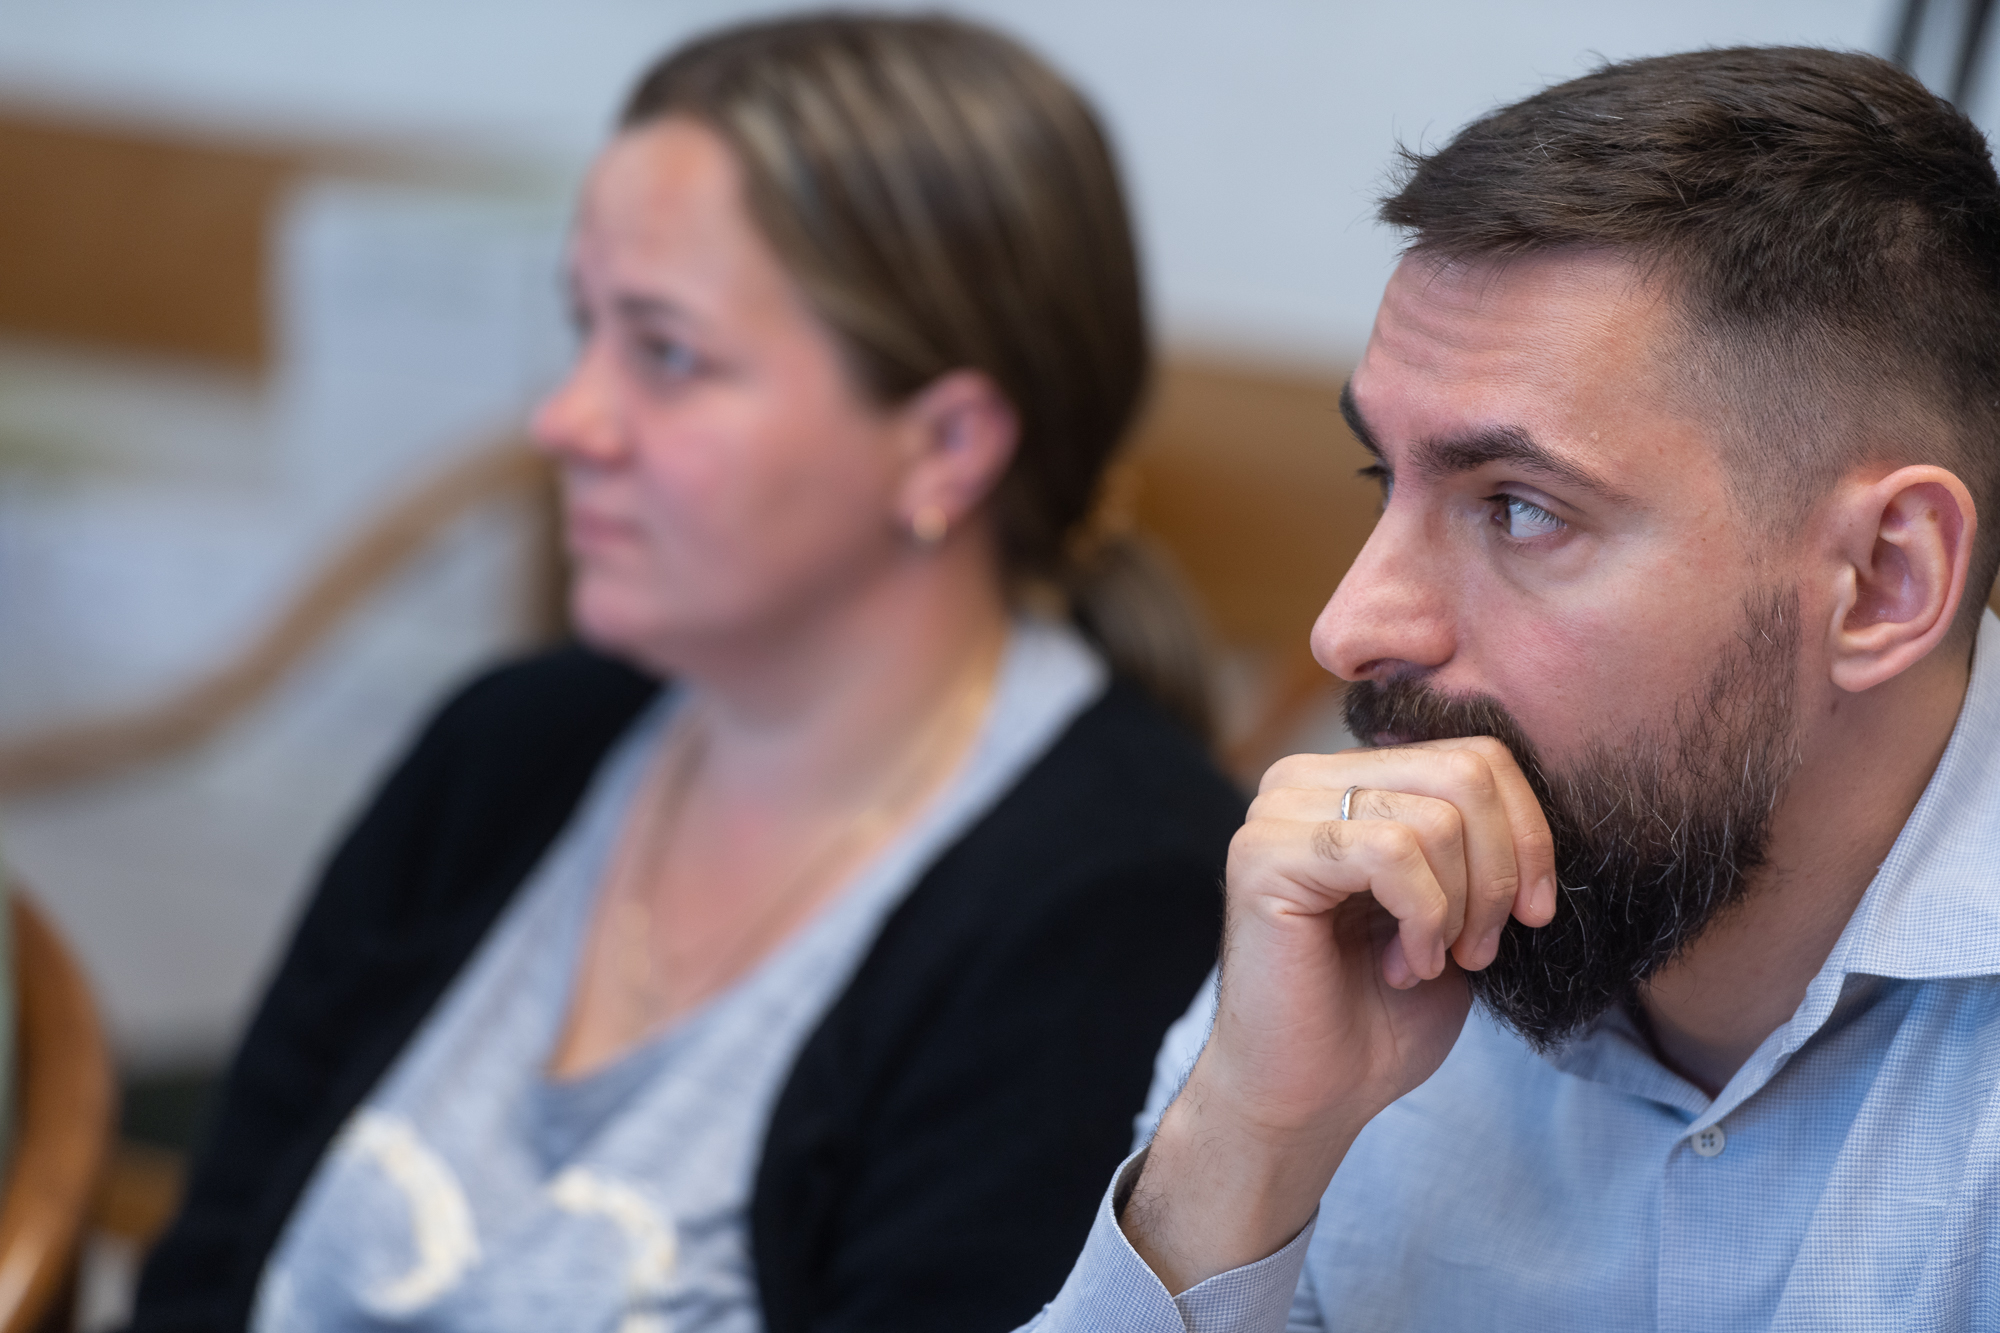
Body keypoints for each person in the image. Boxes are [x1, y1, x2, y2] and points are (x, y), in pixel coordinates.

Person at [129, 14, 1243, 1332]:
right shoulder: (510, 745)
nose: (566, 419)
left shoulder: (1114, 905)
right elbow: (201, 1281)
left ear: (946, 444)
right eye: (583, 329)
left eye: (664, 353)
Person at [1022, 46, 2000, 1331]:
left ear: (1880, 581)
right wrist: (1246, 1144)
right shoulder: (1372, 924)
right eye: (1383, 480)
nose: (1347, 627)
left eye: (1521, 509)